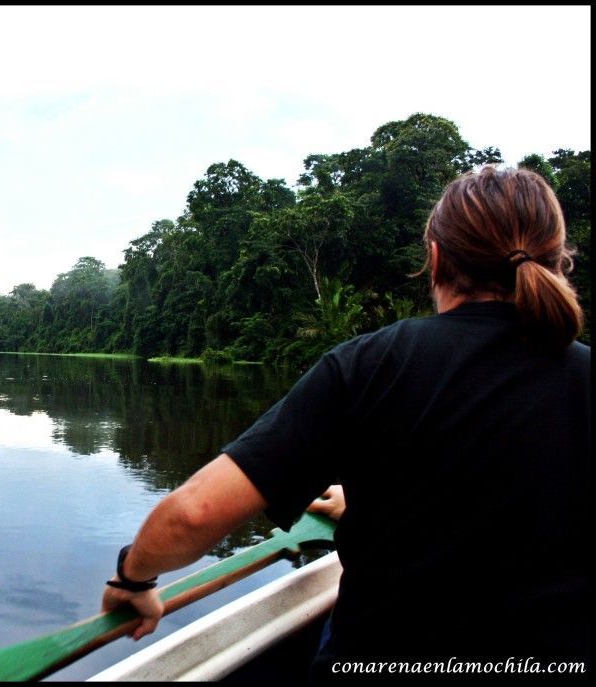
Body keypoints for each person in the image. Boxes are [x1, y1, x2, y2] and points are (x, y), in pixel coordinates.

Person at [101, 165, 590, 681]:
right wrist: (368, 498)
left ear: (437, 257)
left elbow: (194, 515)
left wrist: (133, 578)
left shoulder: (372, 366)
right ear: (558, 262)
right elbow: (512, 472)